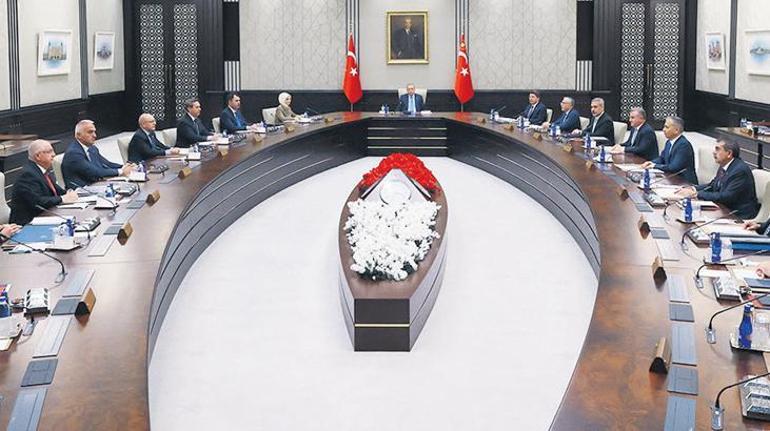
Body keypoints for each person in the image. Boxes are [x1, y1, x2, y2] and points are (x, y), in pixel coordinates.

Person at [676, 139, 758, 219]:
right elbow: (712, 185)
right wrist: (692, 188)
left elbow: (726, 197)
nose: (714, 152)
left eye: (718, 149)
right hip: (724, 209)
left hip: (737, 215)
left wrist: (696, 194)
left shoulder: (739, 171)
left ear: (729, 153)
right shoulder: (725, 165)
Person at [10, 140, 78, 225]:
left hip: (44, 216)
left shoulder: (41, 171)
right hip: (27, 223)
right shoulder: (27, 174)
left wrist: (70, 193)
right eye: (49, 152)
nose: (54, 154)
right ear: (38, 156)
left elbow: (57, 191)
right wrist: (62, 199)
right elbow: (38, 202)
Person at [62, 120, 134, 189]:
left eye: (94, 132)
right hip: (81, 190)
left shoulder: (92, 148)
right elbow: (95, 172)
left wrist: (126, 166)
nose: (95, 135)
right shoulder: (73, 153)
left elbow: (107, 164)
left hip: (96, 185)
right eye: (90, 132)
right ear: (78, 135)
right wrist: (121, 171)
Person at [641, 116, 698, 184]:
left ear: (676, 130)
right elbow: (662, 158)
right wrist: (651, 162)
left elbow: (673, 167)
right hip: (672, 179)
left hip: (685, 182)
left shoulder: (683, 145)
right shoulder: (669, 142)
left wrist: (654, 166)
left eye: (667, 127)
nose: (663, 130)